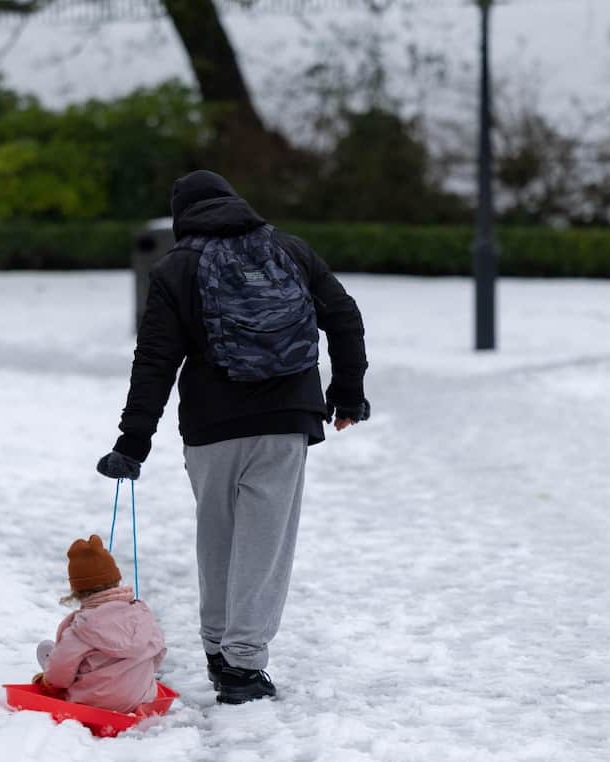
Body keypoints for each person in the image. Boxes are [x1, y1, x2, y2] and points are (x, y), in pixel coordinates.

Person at [96, 170, 369, 704]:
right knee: (265, 543)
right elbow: (344, 316)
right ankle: (244, 664)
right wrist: (347, 394)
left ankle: (220, 652)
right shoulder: (289, 249)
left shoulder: (176, 267)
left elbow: (155, 361)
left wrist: (133, 442)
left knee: (216, 536)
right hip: (286, 419)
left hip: (211, 425)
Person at [33, 535, 167, 713]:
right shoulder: (142, 616)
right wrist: (137, 674)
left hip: (91, 703)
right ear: (116, 579)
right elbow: (158, 651)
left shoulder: (82, 627)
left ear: (76, 590)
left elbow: (60, 671)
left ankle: (52, 670)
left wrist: (48, 682)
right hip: (140, 699)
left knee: (56, 657)